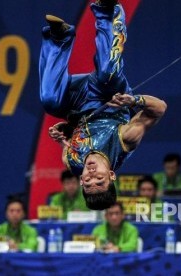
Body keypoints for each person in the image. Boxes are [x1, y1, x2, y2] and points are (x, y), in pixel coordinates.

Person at [42, 0, 167, 210]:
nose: (92, 177)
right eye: (100, 181)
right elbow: (160, 108)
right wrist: (133, 100)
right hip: (109, 93)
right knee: (107, 72)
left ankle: (60, 38)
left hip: (79, 99)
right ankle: (107, 12)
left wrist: (63, 132)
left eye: (88, 183)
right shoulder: (124, 141)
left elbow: (72, 137)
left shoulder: (72, 162)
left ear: (81, 181)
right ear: (111, 175)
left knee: (50, 101)